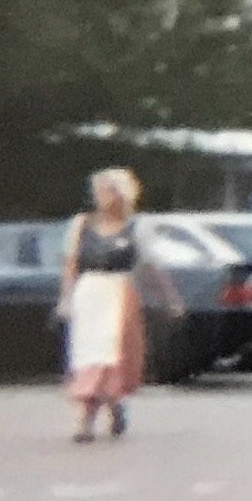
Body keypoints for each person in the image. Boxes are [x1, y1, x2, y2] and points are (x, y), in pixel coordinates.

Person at [58, 168, 150, 442]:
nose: (103, 198)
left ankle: (111, 403)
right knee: (88, 355)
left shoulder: (136, 226)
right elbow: (71, 262)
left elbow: (148, 264)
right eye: (100, 192)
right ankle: (88, 419)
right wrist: (66, 297)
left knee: (111, 353)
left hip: (119, 293)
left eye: (110, 192)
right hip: (90, 293)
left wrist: (168, 297)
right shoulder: (82, 224)